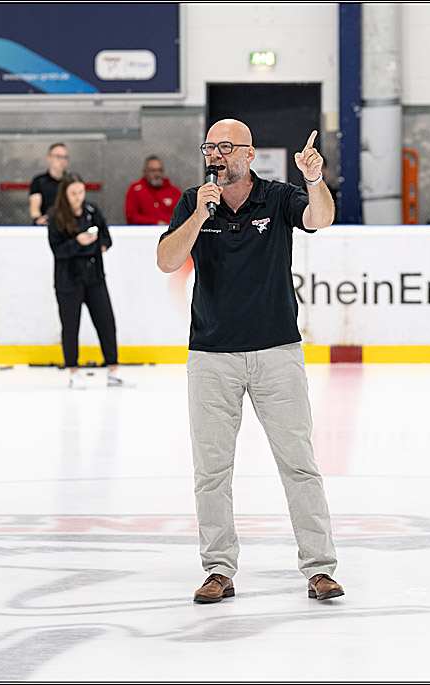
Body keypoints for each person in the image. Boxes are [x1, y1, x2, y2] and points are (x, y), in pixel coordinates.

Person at [156, 119, 344, 604]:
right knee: (211, 470)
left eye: (225, 147)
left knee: (299, 464)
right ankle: (218, 569)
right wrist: (198, 215)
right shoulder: (193, 200)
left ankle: (319, 569)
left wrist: (315, 180)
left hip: (276, 353)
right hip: (211, 356)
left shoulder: (279, 197)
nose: (215, 155)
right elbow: (166, 260)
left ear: (249, 153)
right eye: (209, 147)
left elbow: (320, 219)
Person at [47, 172, 122, 388]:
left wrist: (97, 244)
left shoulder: (92, 211)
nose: (78, 197)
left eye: (81, 192)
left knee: (106, 321)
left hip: (94, 276)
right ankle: (72, 370)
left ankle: (113, 369)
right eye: (73, 193)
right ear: (65, 194)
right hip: (68, 279)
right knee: (70, 326)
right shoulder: (56, 216)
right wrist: (79, 243)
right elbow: (57, 250)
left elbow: (106, 237)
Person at [124, 155, 183, 225]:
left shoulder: (174, 191)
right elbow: (131, 216)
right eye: (153, 170)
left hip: (170, 232)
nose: (157, 174)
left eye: (160, 170)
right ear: (144, 171)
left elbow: (182, 214)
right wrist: (155, 223)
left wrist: (169, 224)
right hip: (143, 233)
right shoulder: (135, 189)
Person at [30, 142, 69, 226]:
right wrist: (39, 219)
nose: (62, 161)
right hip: (46, 225)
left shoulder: (71, 182)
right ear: (49, 158)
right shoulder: (39, 181)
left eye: (65, 157)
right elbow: (34, 208)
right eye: (58, 157)